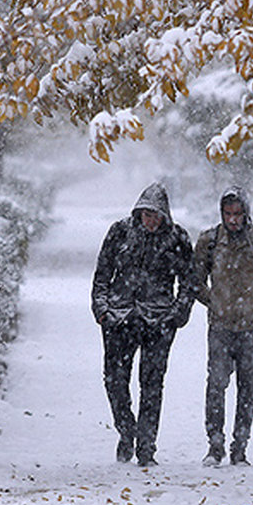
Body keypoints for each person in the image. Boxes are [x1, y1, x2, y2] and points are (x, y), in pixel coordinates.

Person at [91, 182, 193, 467]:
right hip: (119, 319)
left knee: (152, 384)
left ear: (164, 215)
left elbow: (189, 281)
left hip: (159, 321)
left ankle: (147, 447)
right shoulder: (119, 232)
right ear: (139, 213)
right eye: (147, 215)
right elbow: (102, 274)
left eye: (156, 216)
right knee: (115, 381)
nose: (151, 221)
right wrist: (102, 310)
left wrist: (178, 314)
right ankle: (127, 430)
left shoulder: (177, 238)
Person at [192, 187, 253, 466]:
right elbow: (195, 279)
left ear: (247, 213)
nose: (232, 220)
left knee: (248, 386)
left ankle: (240, 445)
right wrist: (214, 302)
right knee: (216, 384)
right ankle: (215, 444)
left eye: (237, 214)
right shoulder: (209, 241)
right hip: (221, 326)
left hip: (252, 327)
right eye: (228, 214)